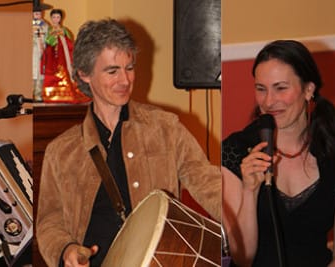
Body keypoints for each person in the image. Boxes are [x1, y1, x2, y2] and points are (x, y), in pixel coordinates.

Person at [35, 18, 221, 267]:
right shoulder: (60, 150)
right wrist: (66, 249)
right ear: (84, 74)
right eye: (112, 71)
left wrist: (240, 219)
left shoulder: (165, 127)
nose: (125, 80)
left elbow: (208, 183)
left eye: (129, 68)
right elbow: (49, 222)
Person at [221, 40, 335, 267]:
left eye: (281, 88)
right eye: (261, 89)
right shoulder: (235, 151)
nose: (269, 101)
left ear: (308, 90)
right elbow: (242, 258)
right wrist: (250, 191)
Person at [40, 9, 89, 104]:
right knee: (52, 73)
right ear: (51, 18)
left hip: (63, 53)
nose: (56, 19)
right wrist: (54, 38)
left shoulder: (64, 29)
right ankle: (51, 93)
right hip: (52, 55)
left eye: (58, 17)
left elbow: (69, 40)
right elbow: (47, 40)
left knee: (65, 71)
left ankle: (66, 91)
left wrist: (63, 37)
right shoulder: (49, 29)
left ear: (61, 18)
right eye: (54, 17)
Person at [32, 6, 48, 102]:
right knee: (32, 71)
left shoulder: (45, 25)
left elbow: (47, 37)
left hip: (41, 50)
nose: (38, 15)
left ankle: (38, 94)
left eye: (39, 13)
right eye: (36, 13)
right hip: (32, 50)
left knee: (40, 72)